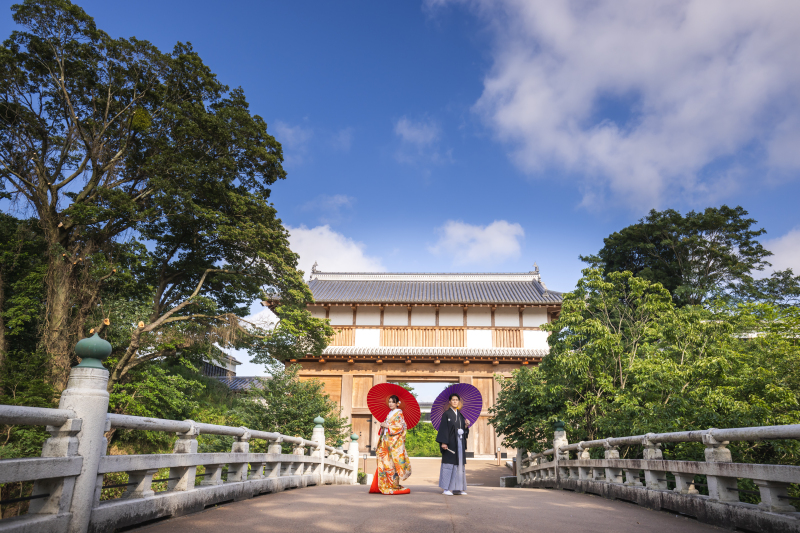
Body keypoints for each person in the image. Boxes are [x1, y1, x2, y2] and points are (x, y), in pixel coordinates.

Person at [374, 395, 411, 494]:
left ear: (397, 403)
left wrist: (388, 425)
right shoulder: (389, 413)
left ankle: (393, 484)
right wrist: (383, 426)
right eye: (389, 402)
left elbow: (401, 427)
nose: (390, 404)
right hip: (386, 440)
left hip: (393, 442)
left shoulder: (399, 413)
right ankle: (384, 484)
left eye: (393, 402)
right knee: (384, 462)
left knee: (392, 463)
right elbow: (387, 426)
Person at [436, 393, 471, 495]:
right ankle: (446, 488)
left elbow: (462, 430)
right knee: (448, 465)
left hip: (459, 443)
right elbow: (443, 429)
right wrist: (443, 442)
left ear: (459, 402)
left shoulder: (460, 415)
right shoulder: (446, 414)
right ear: (450, 402)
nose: (455, 401)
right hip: (449, 443)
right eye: (453, 400)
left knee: (459, 465)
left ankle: (457, 488)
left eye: (457, 400)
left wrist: (466, 426)